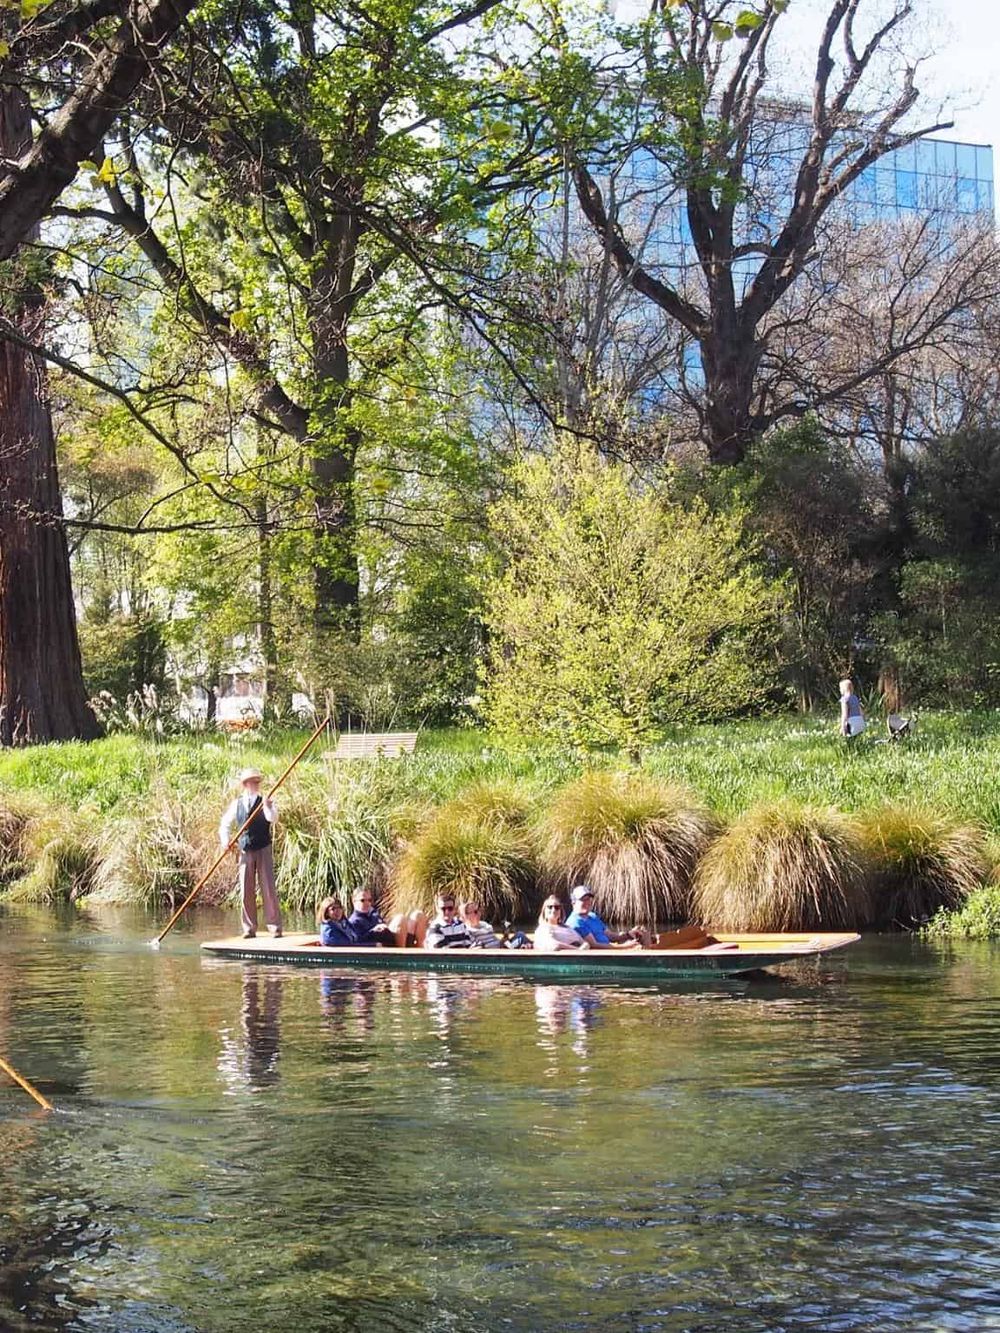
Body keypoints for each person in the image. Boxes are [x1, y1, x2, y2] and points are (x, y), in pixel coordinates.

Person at [219, 767, 281, 939]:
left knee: (268, 887)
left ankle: (274, 926)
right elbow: (224, 824)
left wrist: (268, 807)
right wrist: (225, 842)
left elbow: (273, 819)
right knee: (246, 889)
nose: (255, 784)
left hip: (263, 847)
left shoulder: (265, 801)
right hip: (245, 849)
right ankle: (249, 928)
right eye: (252, 781)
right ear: (245, 784)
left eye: (257, 781)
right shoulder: (236, 804)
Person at [565, 885, 649, 949]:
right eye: (583, 899)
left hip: (612, 949)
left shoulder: (592, 916)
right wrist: (625, 947)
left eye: (589, 899)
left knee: (643, 933)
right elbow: (594, 945)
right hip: (601, 956)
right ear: (573, 903)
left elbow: (610, 936)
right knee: (640, 946)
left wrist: (628, 934)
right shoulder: (575, 922)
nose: (587, 902)